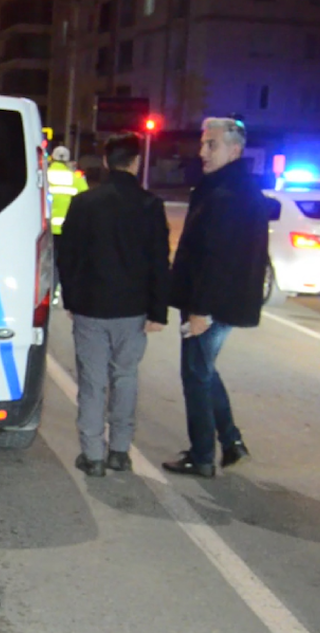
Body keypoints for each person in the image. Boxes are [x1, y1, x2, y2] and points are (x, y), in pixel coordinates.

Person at [57, 132, 170, 477]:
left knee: (92, 382)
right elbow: (159, 261)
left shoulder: (84, 203)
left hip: (91, 307)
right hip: (133, 309)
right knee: (125, 377)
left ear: (106, 161)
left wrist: (71, 299)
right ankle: (120, 451)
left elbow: (67, 256)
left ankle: (92, 455)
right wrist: (158, 311)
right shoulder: (150, 205)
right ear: (136, 162)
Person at [163, 117, 270, 478]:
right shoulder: (232, 188)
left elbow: (218, 258)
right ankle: (231, 441)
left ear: (234, 150)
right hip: (220, 301)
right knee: (204, 370)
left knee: (196, 375)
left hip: (210, 302)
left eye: (212, 145)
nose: (203, 152)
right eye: (203, 144)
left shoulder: (227, 194)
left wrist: (201, 310)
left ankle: (202, 456)